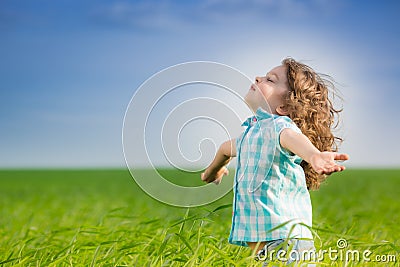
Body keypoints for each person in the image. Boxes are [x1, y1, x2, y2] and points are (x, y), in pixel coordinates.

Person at [201, 58, 349, 265]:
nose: (258, 78)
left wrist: (314, 155)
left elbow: (292, 137)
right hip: (273, 248)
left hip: (287, 243)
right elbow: (225, 148)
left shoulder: (278, 127)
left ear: (284, 106)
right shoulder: (252, 133)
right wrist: (213, 171)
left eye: (270, 80)